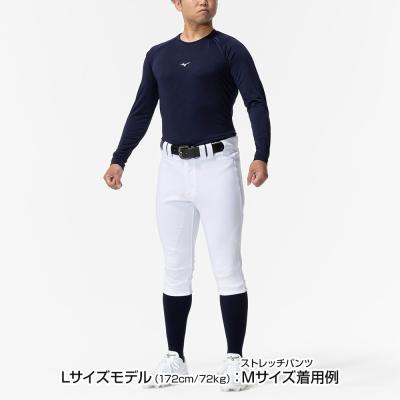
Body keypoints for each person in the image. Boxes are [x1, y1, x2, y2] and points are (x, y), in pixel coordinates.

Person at [103, 0, 270, 392]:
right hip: (172, 168)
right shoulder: (158, 56)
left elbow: (255, 101)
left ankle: (235, 359)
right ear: (176, 3)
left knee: (227, 264)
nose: (204, 2)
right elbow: (142, 110)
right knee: (175, 265)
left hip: (219, 165)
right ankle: (174, 357)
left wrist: (261, 154)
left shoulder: (230, 50)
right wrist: (119, 159)